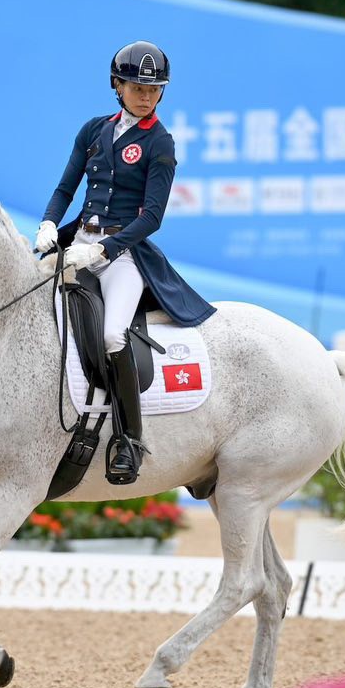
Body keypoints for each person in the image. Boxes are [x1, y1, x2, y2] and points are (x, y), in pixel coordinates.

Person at [34, 40, 215, 485]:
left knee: (113, 334)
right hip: (76, 242)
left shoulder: (160, 143)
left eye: (154, 89)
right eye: (137, 87)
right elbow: (65, 187)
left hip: (122, 255)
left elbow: (151, 217)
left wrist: (101, 250)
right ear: (117, 85)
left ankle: (129, 440)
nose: (146, 95)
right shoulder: (93, 131)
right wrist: (48, 224)